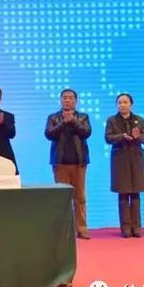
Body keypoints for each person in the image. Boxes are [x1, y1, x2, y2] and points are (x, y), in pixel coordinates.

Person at [45, 89, 92, 239]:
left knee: (80, 197)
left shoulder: (83, 117)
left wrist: (73, 121)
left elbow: (86, 133)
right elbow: (49, 134)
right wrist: (63, 123)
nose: (67, 100)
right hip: (60, 163)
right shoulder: (53, 117)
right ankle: (65, 231)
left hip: (79, 163)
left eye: (70, 98)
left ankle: (82, 228)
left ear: (76, 101)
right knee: (62, 198)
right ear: (60, 100)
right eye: (64, 97)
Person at [105, 93, 144, 238]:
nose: (122, 105)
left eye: (125, 102)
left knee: (136, 193)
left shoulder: (139, 119)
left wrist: (138, 137)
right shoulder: (112, 120)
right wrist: (122, 136)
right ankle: (125, 228)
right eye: (120, 102)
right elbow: (108, 138)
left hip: (136, 158)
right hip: (120, 158)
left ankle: (136, 227)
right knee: (123, 193)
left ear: (131, 104)